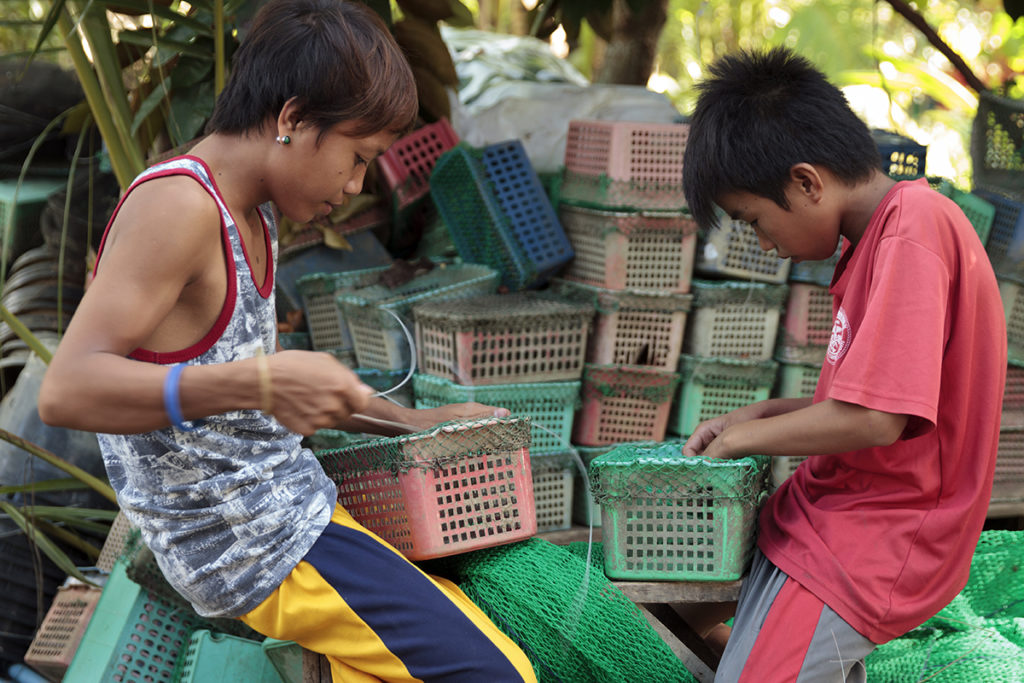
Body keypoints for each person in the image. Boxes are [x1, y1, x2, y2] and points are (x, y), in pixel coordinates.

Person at [37, 1, 536, 680]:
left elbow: (243, 374)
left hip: (294, 515)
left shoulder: (254, 210)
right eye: (356, 159)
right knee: (498, 675)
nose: (357, 186)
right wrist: (260, 382)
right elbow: (67, 389)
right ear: (293, 118)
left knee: (483, 641)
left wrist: (412, 420)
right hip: (255, 547)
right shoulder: (180, 207)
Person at [679, 47, 1006, 682]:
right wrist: (765, 412)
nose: (763, 244)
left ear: (806, 181)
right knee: (676, 616)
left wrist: (745, 438)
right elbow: (876, 400)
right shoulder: (881, 237)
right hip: (828, 520)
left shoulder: (913, 228)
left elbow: (877, 419)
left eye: (754, 221)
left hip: (875, 539)